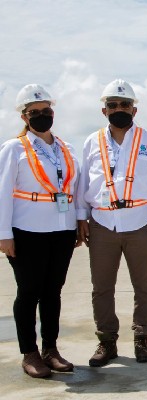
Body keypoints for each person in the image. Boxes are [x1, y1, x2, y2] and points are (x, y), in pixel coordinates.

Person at [76, 79, 147, 367]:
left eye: (125, 105)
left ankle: (142, 338)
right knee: (102, 286)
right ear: (104, 110)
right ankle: (106, 341)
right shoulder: (92, 142)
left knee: (143, 284)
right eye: (113, 105)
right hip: (102, 222)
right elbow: (83, 184)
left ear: (135, 109)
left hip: (140, 221)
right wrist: (82, 218)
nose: (120, 109)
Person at [0, 84, 79, 378]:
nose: (42, 115)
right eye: (35, 112)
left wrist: (78, 222)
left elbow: (75, 188)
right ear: (24, 117)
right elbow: (3, 191)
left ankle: (51, 349)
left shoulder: (66, 149)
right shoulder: (14, 148)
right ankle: (29, 352)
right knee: (29, 291)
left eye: (46, 111)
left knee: (52, 291)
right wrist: (3, 234)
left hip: (61, 229)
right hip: (27, 229)